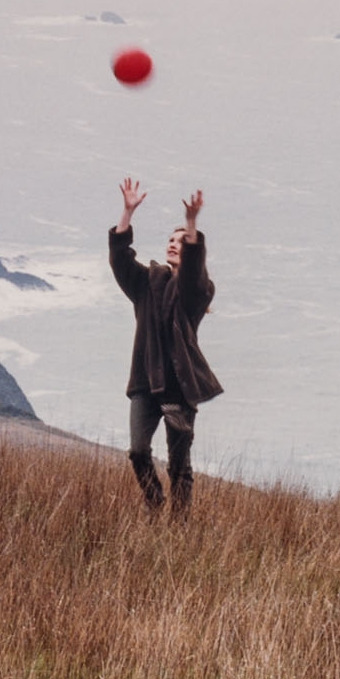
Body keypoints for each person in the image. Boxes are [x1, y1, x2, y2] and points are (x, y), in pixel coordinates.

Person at [108, 176, 221, 517]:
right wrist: (127, 213)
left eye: (180, 242)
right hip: (144, 382)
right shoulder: (147, 283)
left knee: (179, 465)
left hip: (178, 387)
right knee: (138, 452)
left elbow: (192, 278)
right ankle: (155, 501)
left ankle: (180, 525)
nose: (173, 245)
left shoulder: (198, 292)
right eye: (170, 241)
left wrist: (191, 224)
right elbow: (120, 260)